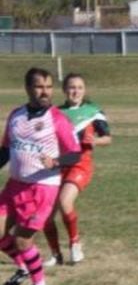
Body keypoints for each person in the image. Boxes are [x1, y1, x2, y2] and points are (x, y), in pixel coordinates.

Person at [0, 67, 81, 285]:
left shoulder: (57, 119)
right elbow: (5, 151)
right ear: (27, 88)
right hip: (14, 185)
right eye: (39, 87)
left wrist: (56, 162)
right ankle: (24, 267)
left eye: (48, 87)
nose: (45, 92)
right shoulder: (15, 115)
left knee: (23, 240)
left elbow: (75, 154)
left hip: (42, 188)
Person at [40, 73, 112, 267]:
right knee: (45, 214)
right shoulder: (54, 112)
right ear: (64, 90)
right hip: (57, 165)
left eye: (80, 87)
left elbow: (108, 138)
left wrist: (95, 140)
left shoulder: (93, 111)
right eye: (72, 87)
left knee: (65, 202)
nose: (76, 91)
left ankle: (75, 244)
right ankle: (56, 254)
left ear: (84, 90)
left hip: (81, 164)